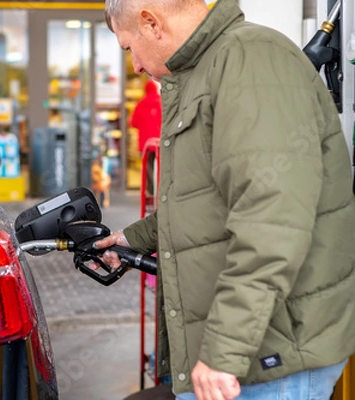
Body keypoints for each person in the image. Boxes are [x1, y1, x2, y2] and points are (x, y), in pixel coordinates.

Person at [95, 0, 355, 399]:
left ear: (151, 23)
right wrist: (134, 239)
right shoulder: (208, 70)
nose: (136, 67)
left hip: (271, 361)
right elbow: (210, 199)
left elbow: (271, 223)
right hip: (249, 356)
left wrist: (223, 352)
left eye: (129, 48)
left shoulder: (251, 63)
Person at [131, 79, 162, 153]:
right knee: (161, 163)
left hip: (145, 143)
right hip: (159, 141)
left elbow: (133, 123)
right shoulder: (161, 103)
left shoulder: (140, 104)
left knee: (147, 163)